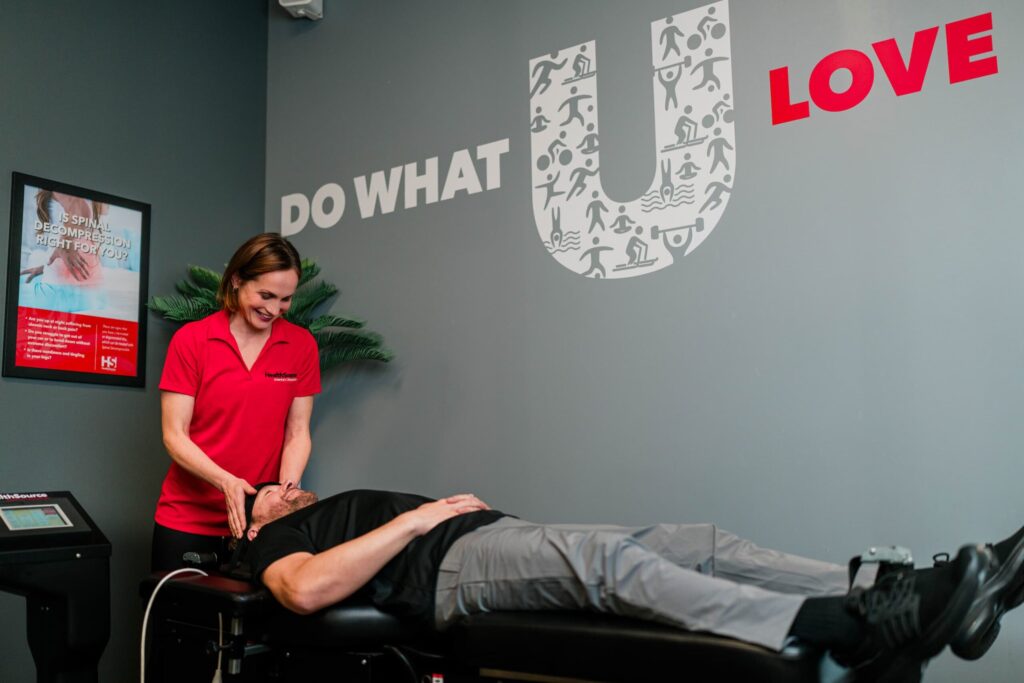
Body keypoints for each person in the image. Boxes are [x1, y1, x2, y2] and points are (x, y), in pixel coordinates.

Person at [240, 482, 1024, 681]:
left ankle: (917, 587)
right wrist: (419, 519)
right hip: (452, 567)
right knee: (616, 570)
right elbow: (305, 592)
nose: (282, 484)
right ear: (247, 523)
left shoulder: (333, 501)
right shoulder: (276, 534)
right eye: (267, 488)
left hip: (492, 536)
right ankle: (847, 624)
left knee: (701, 543)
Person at [151, 234, 321, 571]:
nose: (274, 309)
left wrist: (286, 494)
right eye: (266, 295)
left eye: (285, 299)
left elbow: (298, 431)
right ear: (237, 280)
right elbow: (174, 435)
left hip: (260, 526)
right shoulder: (193, 341)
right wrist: (227, 482)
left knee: (258, 623)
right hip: (188, 521)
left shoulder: (301, 345)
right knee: (181, 623)